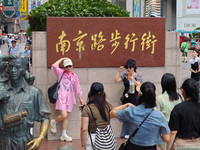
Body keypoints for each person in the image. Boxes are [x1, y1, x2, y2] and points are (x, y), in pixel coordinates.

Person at [0, 52, 51, 150]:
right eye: (11, 67)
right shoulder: (2, 90)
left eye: (18, 67)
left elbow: (45, 117)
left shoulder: (34, 93)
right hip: (3, 140)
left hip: (25, 140)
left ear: (24, 69)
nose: (13, 70)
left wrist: (40, 138)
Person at [110, 82, 170, 150]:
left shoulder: (131, 112)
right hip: (151, 148)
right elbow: (166, 138)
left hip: (132, 147)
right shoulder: (159, 116)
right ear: (154, 96)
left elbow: (112, 113)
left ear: (139, 95)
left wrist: (127, 104)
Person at [50, 57, 83, 142]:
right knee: (64, 115)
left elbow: (77, 88)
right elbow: (54, 66)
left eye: (70, 66)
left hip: (70, 98)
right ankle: (54, 122)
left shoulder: (75, 76)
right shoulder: (61, 73)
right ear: (64, 67)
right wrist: (62, 58)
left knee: (66, 117)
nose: (68, 68)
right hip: (61, 97)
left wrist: (80, 98)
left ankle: (63, 134)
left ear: (72, 66)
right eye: (66, 66)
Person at [167, 78, 200, 150]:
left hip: (181, 145)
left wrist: (168, 148)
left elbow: (173, 132)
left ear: (183, 91)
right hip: (197, 144)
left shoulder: (178, 108)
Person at [80, 82, 114, 150]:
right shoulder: (109, 106)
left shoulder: (87, 108)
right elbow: (112, 116)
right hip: (108, 139)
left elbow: (84, 129)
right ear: (103, 93)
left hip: (93, 139)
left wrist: (83, 145)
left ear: (90, 93)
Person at [114, 59, 143, 138]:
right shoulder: (125, 75)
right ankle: (125, 133)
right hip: (126, 97)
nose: (128, 69)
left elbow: (139, 85)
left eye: (130, 67)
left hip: (134, 97)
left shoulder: (138, 76)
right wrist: (119, 71)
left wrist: (132, 79)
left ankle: (132, 133)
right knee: (126, 114)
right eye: (127, 67)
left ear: (134, 67)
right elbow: (116, 80)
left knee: (134, 115)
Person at [156, 73, 182, 150]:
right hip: (178, 134)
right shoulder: (179, 97)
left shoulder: (159, 99)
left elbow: (156, 117)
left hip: (164, 134)